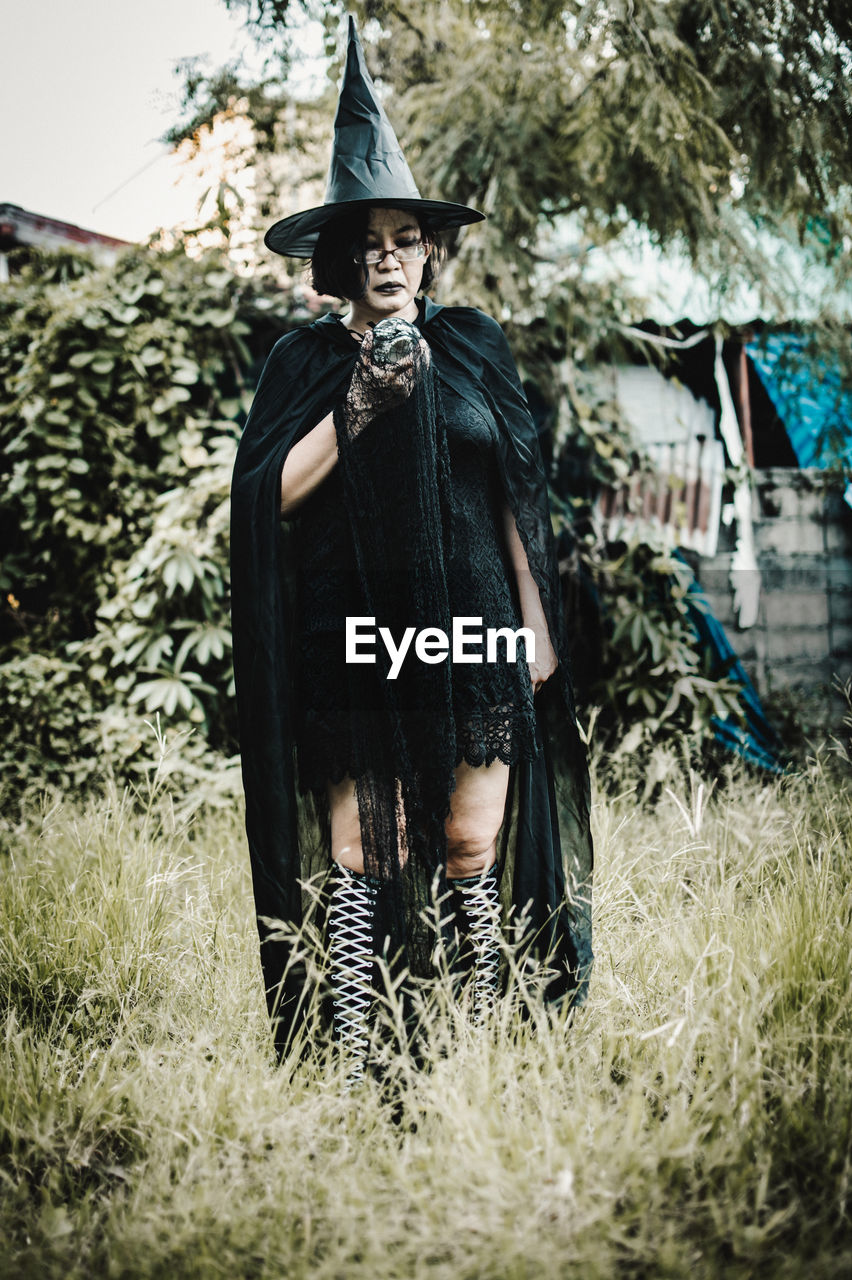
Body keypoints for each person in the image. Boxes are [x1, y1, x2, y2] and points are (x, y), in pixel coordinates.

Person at [230, 18, 593, 1080]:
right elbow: (266, 500)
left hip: (473, 625)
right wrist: (359, 398)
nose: (387, 257)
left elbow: (515, 491)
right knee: (363, 856)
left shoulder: (473, 343)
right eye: (368, 241)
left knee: (471, 851)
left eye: (405, 238)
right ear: (338, 261)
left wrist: (533, 627)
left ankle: (475, 1051)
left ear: (428, 250)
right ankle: (354, 1064)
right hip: (354, 635)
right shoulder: (301, 362)